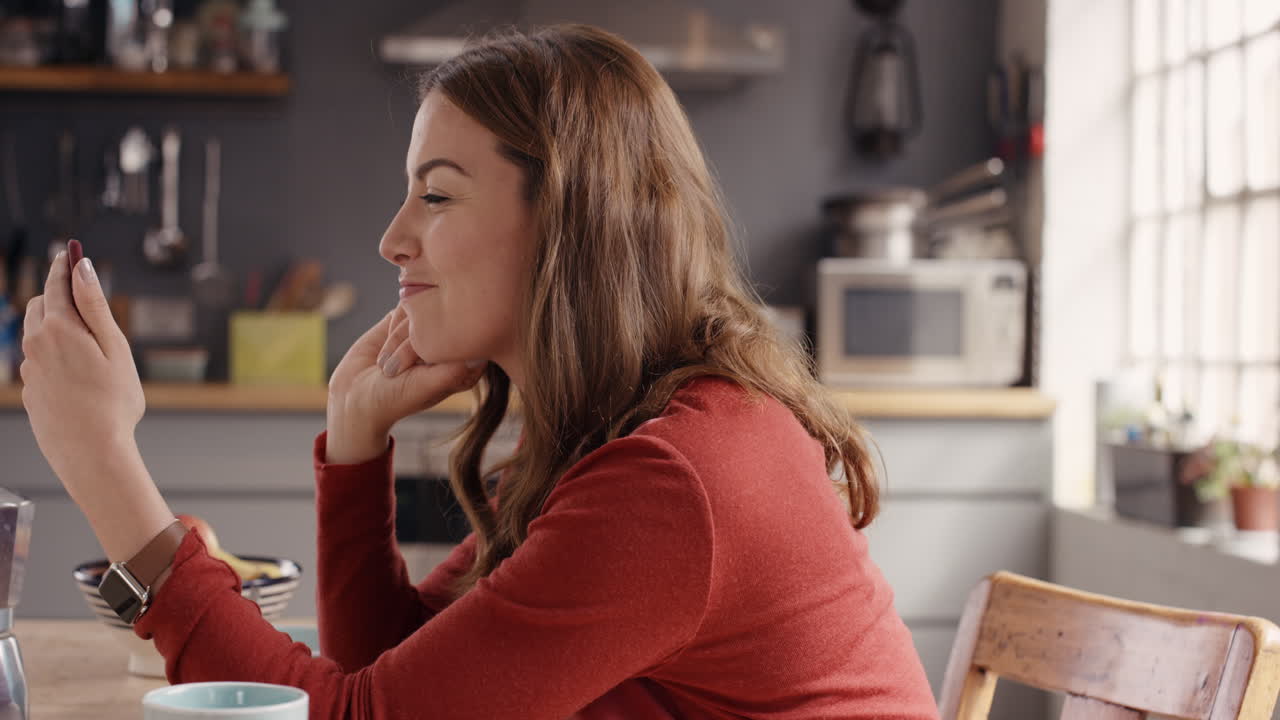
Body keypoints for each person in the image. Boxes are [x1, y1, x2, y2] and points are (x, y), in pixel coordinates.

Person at [20, 24, 938, 720]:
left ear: (568, 227)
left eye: (437, 194)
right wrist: (356, 442)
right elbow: (392, 677)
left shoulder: (672, 483)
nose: (393, 238)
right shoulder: (606, 439)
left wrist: (104, 467)